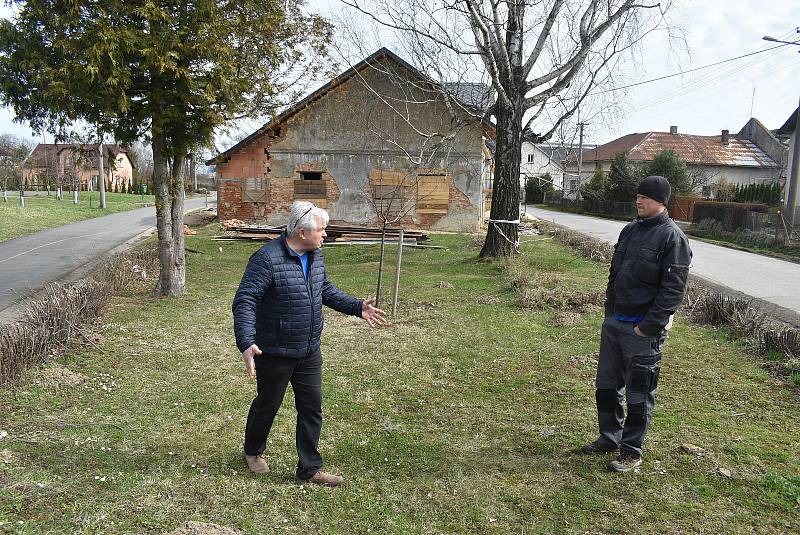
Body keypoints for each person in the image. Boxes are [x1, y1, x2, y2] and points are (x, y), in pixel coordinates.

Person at [232, 201, 387, 486]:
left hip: (308, 350)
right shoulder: (266, 259)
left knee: (311, 408)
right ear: (302, 232)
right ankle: (253, 451)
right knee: (268, 404)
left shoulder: (315, 256)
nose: (325, 235)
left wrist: (357, 307)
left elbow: (324, 290)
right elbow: (245, 300)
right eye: (322, 230)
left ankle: (310, 468)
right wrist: (246, 341)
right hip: (275, 350)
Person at [582, 175, 692, 472]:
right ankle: (609, 438)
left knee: (639, 393)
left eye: (646, 197)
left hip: (642, 332)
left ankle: (631, 451)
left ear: (661, 202)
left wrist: (647, 327)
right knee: (607, 386)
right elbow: (614, 276)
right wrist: (609, 313)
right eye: (638, 195)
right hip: (615, 324)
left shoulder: (673, 239)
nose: (639, 200)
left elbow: (673, 292)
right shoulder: (630, 231)